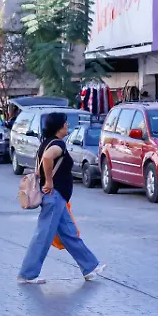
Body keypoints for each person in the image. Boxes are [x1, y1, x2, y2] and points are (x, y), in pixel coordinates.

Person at [18, 112, 105, 284]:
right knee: (43, 235)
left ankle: (89, 267)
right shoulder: (57, 145)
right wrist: (49, 181)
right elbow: (47, 158)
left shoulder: (46, 143)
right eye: (65, 124)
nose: (67, 126)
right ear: (59, 127)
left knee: (69, 234)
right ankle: (27, 274)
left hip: (57, 197)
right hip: (54, 196)